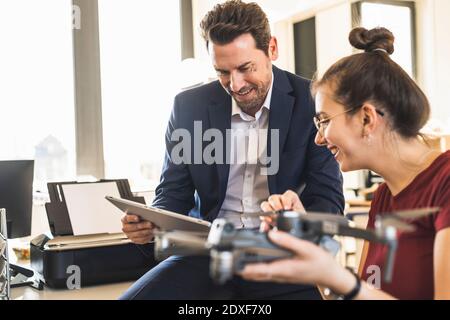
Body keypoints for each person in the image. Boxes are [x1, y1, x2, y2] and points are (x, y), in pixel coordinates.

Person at [119, 0, 344, 300]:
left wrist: (302, 222)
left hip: (282, 254)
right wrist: (150, 226)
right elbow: (172, 194)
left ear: (272, 50)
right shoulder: (188, 107)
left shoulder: (311, 102)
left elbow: (328, 201)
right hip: (205, 252)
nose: (235, 85)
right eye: (222, 71)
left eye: (245, 68)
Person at [240, 27, 450, 300]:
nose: (317, 138)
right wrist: (309, 243)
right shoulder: (385, 196)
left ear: (367, 118)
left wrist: (336, 276)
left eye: (324, 121)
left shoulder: (444, 183)